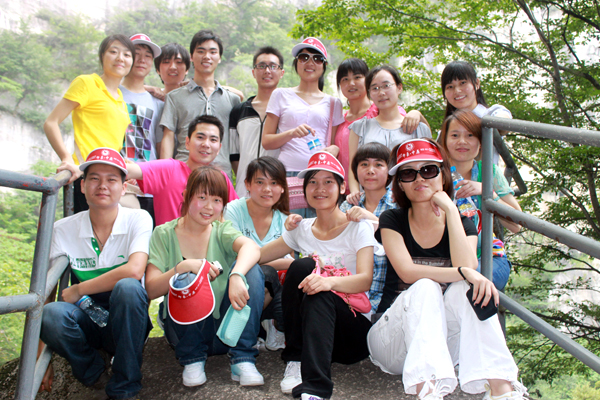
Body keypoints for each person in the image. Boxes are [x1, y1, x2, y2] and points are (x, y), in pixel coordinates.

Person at [368, 138, 528, 400]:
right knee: (427, 285)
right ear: (400, 184)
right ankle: (428, 391)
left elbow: (468, 265)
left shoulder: (463, 222)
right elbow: (408, 272)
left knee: (467, 288)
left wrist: (451, 211)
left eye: (428, 170)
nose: (420, 179)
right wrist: (465, 273)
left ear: (442, 176)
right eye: (408, 173)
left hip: (439, 345)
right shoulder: (392, 219)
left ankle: (501, 388)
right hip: (392, 342)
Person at [260, 151, 377, 400]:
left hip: (351, 332)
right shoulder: (300, 228)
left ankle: (313, 384)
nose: (319, 188)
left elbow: (365, 279)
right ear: (304, 189)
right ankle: (297, 362)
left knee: (319, 289)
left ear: (342, 187)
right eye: (312, 182)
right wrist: (232, 264)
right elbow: (260, 255)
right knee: (302, 267)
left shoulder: (358, 226)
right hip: (314, 337)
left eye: (328, 182)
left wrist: (328, 282)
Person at [39, 148, 153, 400]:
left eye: (111, 179)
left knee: (128, 287)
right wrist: (40, 359)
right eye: (94, 178)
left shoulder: (138, 219)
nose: (102, 185)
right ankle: (94, 374)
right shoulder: (62, 230)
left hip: (127, 316)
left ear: (124, 188)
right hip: (86, 317)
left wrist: (79, 289)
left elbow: (135, 270)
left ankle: (125, 387)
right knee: (50, 315)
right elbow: (44, 295)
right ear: (82, 186)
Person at [144, 166, 265, 388]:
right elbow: (151, 289)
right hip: (185, 334)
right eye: (202, 197)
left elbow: (251, 248)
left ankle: (243, 359)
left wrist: (236, 275)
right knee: (186, 277)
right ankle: (192, 360)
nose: (209, 207)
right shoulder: (163, 233)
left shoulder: (221, 230)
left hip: (226, 331)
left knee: (252, 270)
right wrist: (182, 267)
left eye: (217, 200)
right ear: (186, 196)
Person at [43, 34, 135, 212]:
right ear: (102, 56)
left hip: (110, 178)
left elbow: (109, 140)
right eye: (113, 52)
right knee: (86, 228)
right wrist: (66, 158)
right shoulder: (87, 83)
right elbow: (51, 122)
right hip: (86, 174)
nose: (120, 58)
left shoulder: (120, 98)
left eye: (127, 54)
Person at [438, 110, 522, 290]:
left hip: (488, 256)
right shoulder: (434, 172)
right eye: (455, 135)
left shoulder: (489, 171)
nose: (462, 141)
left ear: (481, 142)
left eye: (470, 135)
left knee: (473, 283)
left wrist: (488, 193)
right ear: (444, 140)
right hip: (444, 256)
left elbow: (517, 224)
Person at [262, 37, 344, 209]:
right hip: (287, 173)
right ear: (296, 63)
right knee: (288, 224)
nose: (310, 63)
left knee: (319, 225)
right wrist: (291, 133)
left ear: (324, 65)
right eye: (304, 57)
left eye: (317, 58)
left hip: (320, 175)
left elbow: (333, 143)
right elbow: (267, 141)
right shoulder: (280, 95)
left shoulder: (333, 103)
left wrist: (335, 149)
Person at [225, 157, 292, 351]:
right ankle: (255, 331)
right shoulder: (233, 211)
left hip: (271, 293)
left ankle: (274, 326)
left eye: (274, 183)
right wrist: (277, 262)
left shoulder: (285, 220)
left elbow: (291, 263)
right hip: (237, 289)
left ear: (282, 188)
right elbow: (236, 258)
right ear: (247, 184)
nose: (267, 189)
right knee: (262, 273)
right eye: (260, 182)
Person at [335, 58, 426, 194]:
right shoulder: (355, 126)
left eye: (386, 86)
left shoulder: (411, 124)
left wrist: (417, 113)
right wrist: (355, 194)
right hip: (366, 196)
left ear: (399, 87)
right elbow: (353, 167)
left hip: (407, 197)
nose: (381, 93)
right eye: (375, 88)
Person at [126, 115, 237, 227]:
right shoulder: (168, 169)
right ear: (187, 142)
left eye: (213, 140)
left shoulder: (221, 179)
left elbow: (237, 213)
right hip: (169, 238)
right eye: (200, 137)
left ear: (219, 148)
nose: (206, 144)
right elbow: (127, 169)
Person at [159, 30, 241, 179]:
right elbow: (168, 138)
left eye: (212, 52)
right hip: (183, 175)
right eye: (201, 51)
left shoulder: (232, 100)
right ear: (191, 56)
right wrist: (164, 175)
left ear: (219, 58)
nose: (207, 56)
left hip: (220, 176)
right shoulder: (174, 97)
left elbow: (236, 145)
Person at [340, 142, 397, 312]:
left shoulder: (399, 205)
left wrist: (370, 218)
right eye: (364, 164)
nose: (370, 170)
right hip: (351, 298)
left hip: (389, 300)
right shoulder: (347, 206)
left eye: (378, 165)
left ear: (390, 171)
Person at [229, 46, 285, 198]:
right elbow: (234, 155)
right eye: (261, 66)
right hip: (244, 190)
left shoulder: (287, 112)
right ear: (253, 72)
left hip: (276, 191)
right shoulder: (239, 111)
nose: (267, 71)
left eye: (273, 66)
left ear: (281, 73)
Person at [119, 34, 165, 217]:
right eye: (136, 53)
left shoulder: (158, 102)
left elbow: (160, 146)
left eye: (147, 55)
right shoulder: (112, 94)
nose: (141, 59)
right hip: (119, 184)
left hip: (148, 186)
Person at [441, 61, 512, 164]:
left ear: (477, 83)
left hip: (485, 174)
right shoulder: (447, 126)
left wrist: (485, 124)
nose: (457, 91)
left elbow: (504, 124)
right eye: (450, 87)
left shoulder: (491, 113)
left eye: (462, 83)